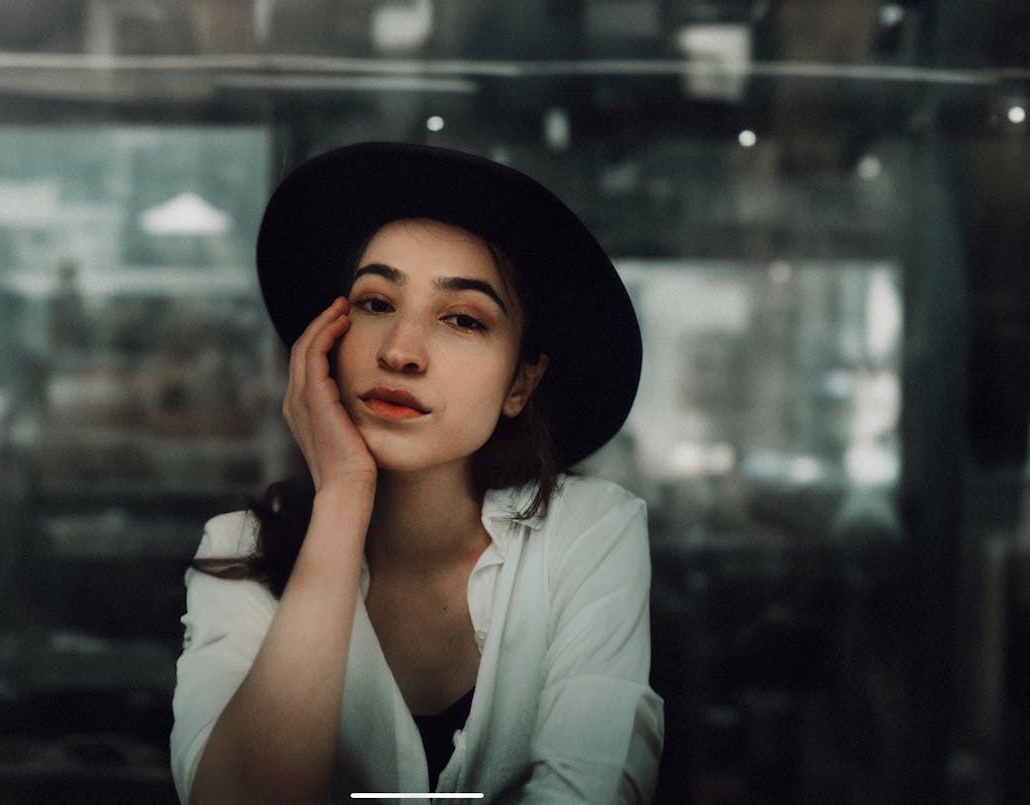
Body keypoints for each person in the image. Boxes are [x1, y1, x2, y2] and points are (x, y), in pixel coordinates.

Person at [170, 142, 663, 803]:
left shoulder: (589, 533)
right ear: (328, 340)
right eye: (375, 303)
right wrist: (343, 495)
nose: (400, 351)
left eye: (462, 318)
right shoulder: (240, 549)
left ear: (521, 380)